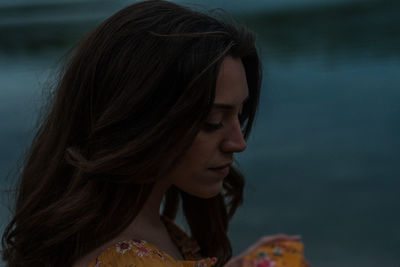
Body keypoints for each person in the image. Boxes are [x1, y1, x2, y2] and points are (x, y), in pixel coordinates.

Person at [1, 1, 303, 266]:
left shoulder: (120, 227)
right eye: (213, 121)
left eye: (239, 115)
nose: (238, 143)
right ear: (140, 120)